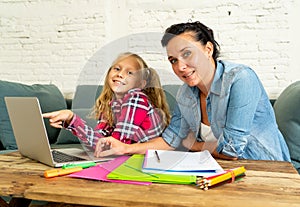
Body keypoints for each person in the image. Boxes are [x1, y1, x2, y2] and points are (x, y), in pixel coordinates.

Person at [94, 21, 291, 162]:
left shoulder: (241, 79)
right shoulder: (186, 93)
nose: (180, 67)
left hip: (266, 169)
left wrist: (193, 145)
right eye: (173, 60)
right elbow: (171, 140)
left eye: (187, 54)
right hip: (219, 169)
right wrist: (125, 148)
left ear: (208, 49)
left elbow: (232, 150)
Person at [43, 52, 170, 151]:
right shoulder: (110, 105)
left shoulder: (136, 99)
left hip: (144, 160)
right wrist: (71, 119)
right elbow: (99, 142)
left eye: (130, 72)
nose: (120, 74)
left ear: (141, 84)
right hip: (126, 156)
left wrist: (74, 121)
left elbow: (117, 145)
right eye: (117, 69)